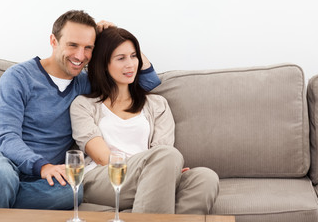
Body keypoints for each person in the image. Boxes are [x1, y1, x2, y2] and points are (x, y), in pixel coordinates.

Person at [0, 10, 161, 209]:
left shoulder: (86, 84)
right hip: (0, 158)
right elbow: (4, 136)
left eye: (88, 47)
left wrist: (113, 35)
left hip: (44, 176)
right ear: (53, 41)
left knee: (72, 192)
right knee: (0, 177)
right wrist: (42, 166)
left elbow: (148, 81)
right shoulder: (18, 77)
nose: (80, 55)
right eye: (73, 45)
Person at [70, 26, 219, 214]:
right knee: (166, 157)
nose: (131, 64)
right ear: (103, 64)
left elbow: (162, 149)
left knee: (205, 178)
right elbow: (101, 156)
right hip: (103, 177)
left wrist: (164, 170)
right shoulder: (83, 105)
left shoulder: (157, 104)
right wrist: (160, 169)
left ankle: (145, 207)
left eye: (134, 56)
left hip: (150, 172)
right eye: (121, 58)